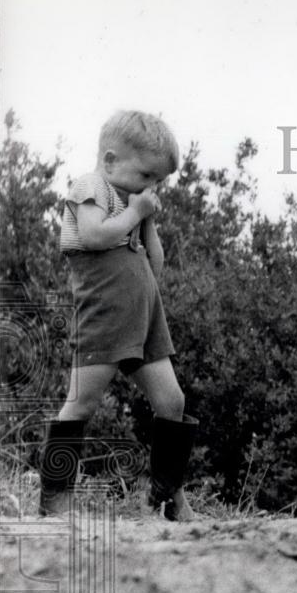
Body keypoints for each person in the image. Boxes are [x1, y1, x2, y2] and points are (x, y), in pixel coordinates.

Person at [38, 110, 197, 521]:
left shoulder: (133, 205)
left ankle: (169, 499)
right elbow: (93, 236)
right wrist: (134, 213)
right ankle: (54, 503)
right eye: (146, 176)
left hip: (145, 315)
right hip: (105, 312)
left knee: (172, 400)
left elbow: (155, 266)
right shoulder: (89, 185)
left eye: (158, 182)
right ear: (110, 161)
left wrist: (147, 221)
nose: (152, 187)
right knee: (81, 402)